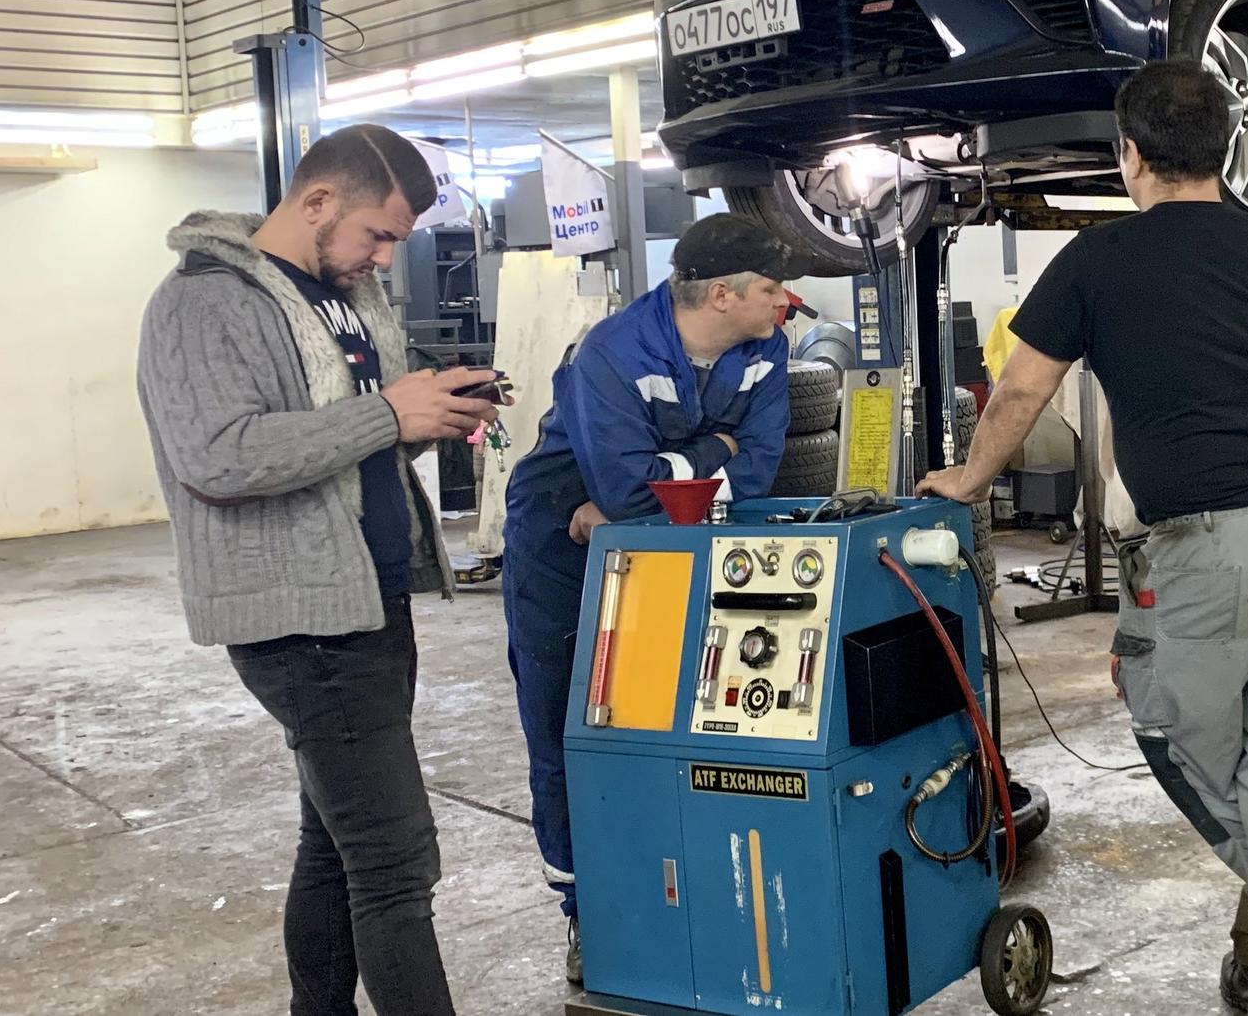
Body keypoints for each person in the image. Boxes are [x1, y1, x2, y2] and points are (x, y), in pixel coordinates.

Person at [919, 58, 1248, 1016]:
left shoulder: (1095, 261)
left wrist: (967, 480)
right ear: (1226, 149)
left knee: (1173, 730)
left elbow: (1022, 389)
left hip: (1215, 543)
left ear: (1130, 155)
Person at [136, 124, 505, 1016]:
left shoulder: (345, 296)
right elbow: (218, 456)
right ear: (318, 201)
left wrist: (436, 407)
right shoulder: (203, 301)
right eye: (377, 235)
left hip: (367, 599)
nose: (383, 258)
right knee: (394, 860)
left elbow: (348, 431)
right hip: (299, 618)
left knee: (337, 845)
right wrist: (389, 416)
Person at [501, 213, 803, 983]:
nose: (785, 302)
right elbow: (626, 493)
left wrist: (670, 478)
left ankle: (691, 902)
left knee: (687, 720)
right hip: (560, 547)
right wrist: (712, 452)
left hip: (681, 542)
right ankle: (587, 914)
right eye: (772, 288)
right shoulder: (613, 352)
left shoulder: (767, 346)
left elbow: (758, 467)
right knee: (568, 732)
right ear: (724, 295)